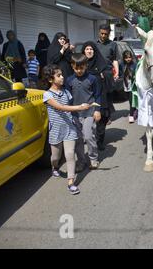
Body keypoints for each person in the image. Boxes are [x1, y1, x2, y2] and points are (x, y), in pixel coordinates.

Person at [42, 64, 91, 195]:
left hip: (70, 128)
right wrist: (79, 107)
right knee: (55, 157)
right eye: (59, 75)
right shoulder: (47, 95)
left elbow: (71, 106)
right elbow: (61, 107)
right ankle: (55, 167)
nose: (62, 77)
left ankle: (71, 183)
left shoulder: (66, 92)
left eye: (62, 74)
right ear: (51, 79)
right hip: (56, 130)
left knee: (70, 155)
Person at [66, 53, 102, 170]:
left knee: (88, 136)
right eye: (76, 68)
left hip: (89, 113)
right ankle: (81, 161)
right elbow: (67, 97)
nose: (79, 71)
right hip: (75, 114)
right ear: (72, 66)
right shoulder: (69, 80)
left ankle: (93, 158)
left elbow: (97, 96)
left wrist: (97, 110)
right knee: (78, 139)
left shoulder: (92, 79)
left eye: (81, 68)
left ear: (86, 66)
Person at [81, 41, 113, 151]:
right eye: (87, 49)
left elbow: (109, 73)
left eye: (91, 49)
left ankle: (100, 141)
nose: (89, 51)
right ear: (83, 51)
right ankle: (88, 138)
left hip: (101, 95)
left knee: (101, 119)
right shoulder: (80, 64)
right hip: (86, 96)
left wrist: (104, 75)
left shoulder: (100, 62)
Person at [96, 24, 118, 121]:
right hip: (96, 73)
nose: (103, 36)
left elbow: (115, 60)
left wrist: (116, 72)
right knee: (98, 94)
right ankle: (99, 113)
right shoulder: (94, 44)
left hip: (108, 73)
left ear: (109, 34)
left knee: (108, 95)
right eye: (102, 33)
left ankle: (107, 116)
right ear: (99, 32)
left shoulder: (113, 44)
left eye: (106, 34)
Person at [120, 50, 137, 123]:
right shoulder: (122, 65)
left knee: (131, 101)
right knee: (129, 99)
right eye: (126, 58)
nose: (128, 59)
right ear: (124, 58)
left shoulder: (134, 65)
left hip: (133, 85)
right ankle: (135, 109)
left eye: (129, 57)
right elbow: (120, 73)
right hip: (125, 85)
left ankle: (131, 115)